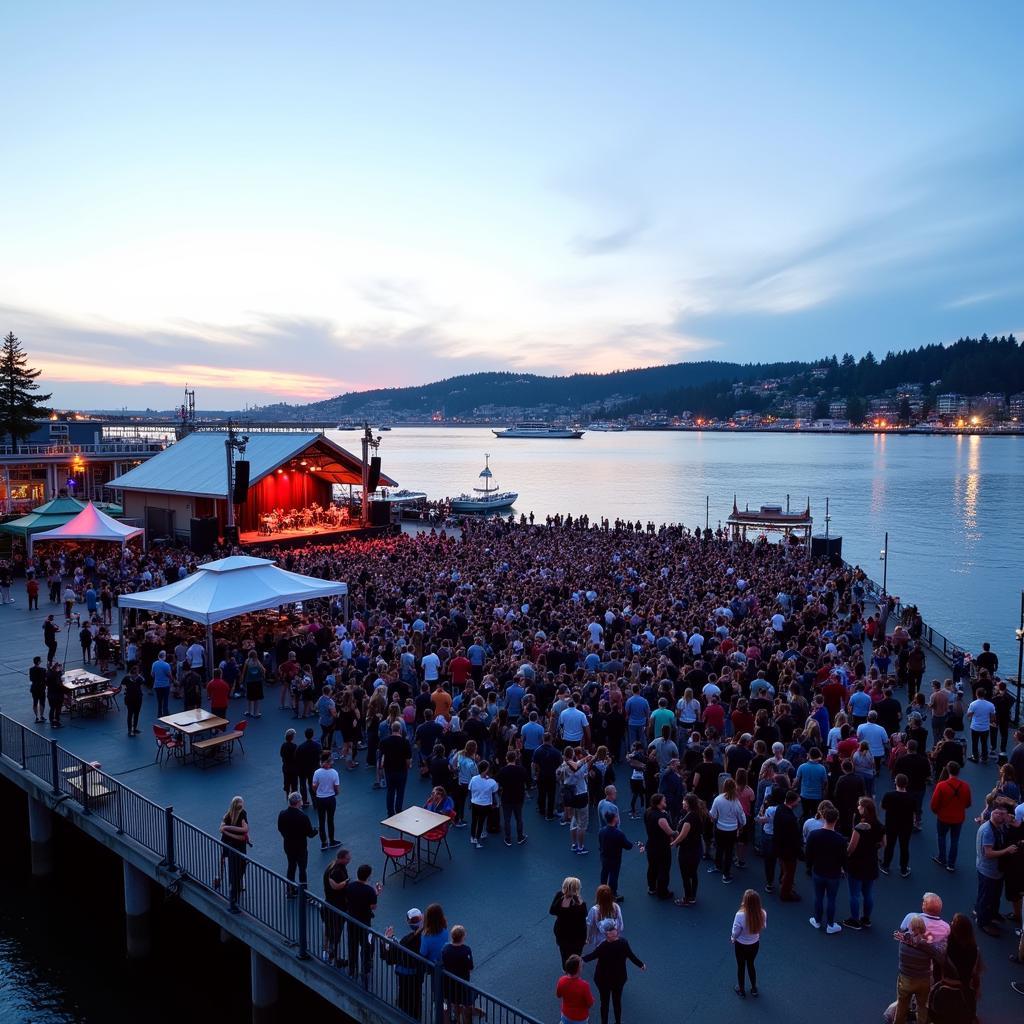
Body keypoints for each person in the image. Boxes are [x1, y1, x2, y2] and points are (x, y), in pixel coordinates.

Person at [581, 920, 645, 1024]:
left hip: (603, 980)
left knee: (606, 1003)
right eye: (612, 929)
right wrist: (640, 964)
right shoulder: (623, 943)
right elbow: (630, 955)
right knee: (614, 1002)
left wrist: (581, 959)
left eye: (614, 928)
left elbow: (592, 956)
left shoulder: (604, 946)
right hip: (617, 979)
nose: (615, 930)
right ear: (607, 933)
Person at [891, 914, 945, 1024]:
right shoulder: (929, 946)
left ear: (910, 927)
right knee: (922, 1007)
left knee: (902, 1006)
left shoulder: (903, 943)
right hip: (923, 982)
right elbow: (939, 956)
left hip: (905, 980)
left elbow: (906, 937)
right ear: (923, 928)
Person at [974, 803, 1017, 935]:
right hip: (988, 870)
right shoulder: (987, 830)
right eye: (996, 813)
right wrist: (1007, 851)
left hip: (996, 870)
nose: (999, 816)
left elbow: (1014, 822)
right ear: (992, 813)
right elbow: (988, 853)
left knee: (995, 895)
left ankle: (992, 914)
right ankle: (983, 922)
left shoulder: (1000, 825)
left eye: (1002, 814)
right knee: (986, 897)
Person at [843, 796, 883, 929]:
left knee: (854, 894)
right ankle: (866, 919)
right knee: (868, 893)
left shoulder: (859, 827)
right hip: (871, 862)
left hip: (857, 863)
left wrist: (846, 854)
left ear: (865, 809)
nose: (858, 807)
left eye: (860, 806)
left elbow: (851, 848)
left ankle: (854, 920)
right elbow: (883, 843)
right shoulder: (879, 825)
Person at [806, 804, 846, 934]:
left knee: (818, 897)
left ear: (823, 818)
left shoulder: (814, 835)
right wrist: (842, 869)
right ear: (836, 819)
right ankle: (830, 924)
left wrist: (810, 866)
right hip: (833, 874)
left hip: (818, 871)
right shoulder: (840, 839)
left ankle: (817, 921)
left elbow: (809, 853)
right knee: (831, 899)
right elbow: (843, 858)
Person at [382, 907, 426, 1020]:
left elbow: (392, 956)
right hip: (418, 974)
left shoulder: (406, 940)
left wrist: (388, 939)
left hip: (406, 974)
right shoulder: (425, 936)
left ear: (409, 922)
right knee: (416, 996)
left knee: (405, 995)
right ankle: (417, 1017)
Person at [344, 863, 383, 981]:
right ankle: (365, 969)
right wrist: (376, 893)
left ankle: (352, 968)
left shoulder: (349, 887)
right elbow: (373, 906)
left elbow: (349, 899)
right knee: (367, 945)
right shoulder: (369, 891)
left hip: (351, 921)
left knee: (352, 944)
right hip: (365, 923)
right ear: (368, 876)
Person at [930, 761, 972, 872]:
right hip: (958, 818)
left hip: (943, 817)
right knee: (954, 840)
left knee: (941, 836)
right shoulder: (965, 786)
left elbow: (934, 804)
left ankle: (942, 858)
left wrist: (937, 811)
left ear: (948, 771)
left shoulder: (941, 785)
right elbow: (968, 804)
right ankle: (951, 864)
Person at [277, 791, 318, 892]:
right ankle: (304, 891)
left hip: (288, 845)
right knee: (302, 869)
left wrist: (286, 836)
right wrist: (315, 831)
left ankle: (290, 890)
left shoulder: (282, 814)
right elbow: (310, 834)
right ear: (298, 802)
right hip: (301, 847)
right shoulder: (303, 817)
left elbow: (280, 828)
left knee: (291, 866)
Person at [709, 777, 747, 884]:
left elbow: (712, 815)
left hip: (720, 829)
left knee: (719, 848)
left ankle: (717, 866)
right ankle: (726, 874)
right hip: (732, 831)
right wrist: (741, 826)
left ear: (724, 787)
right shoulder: (736, 802)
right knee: (729, 852)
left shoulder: (718, 799)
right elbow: (742, 819)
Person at [670, 793, 705, 906]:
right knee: (693, 873)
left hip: (687, 850)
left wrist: (674, 843)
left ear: (689, 803)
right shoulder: (698, 814)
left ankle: (687, 898)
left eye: (684, 801)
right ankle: (692, 897)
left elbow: (683, 835)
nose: (682, 802)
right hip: (696, 848)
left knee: (685, 875)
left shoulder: (689, 818)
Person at [731, 888, 765, 997]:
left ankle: (741, 990)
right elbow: (763, 926)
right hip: (754, 944)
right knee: (751, 964)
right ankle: (754, 988)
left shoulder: (740, 915)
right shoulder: (762, 913)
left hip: (741, 945)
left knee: (741, 966)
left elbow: (735, 931)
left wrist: (733, 938)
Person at [441, 924, 479, 1024]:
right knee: (467, 1002)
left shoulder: (446, 949)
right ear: (463, 937)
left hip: (449, 983)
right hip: (462, 983)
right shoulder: (466, 950)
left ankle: (457, 1020)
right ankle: (466, 1018)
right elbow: (470, 967)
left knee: (454, 1001)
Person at [881, 774, 915, 878]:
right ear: (906, 784)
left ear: (896, 782)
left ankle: (885, 866)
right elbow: (914, 812)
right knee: (904, 847)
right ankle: (903, 869)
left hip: (891, 825)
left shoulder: (889, 795)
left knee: (889, 846)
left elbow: (883, 807)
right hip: (906, 826)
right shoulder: (911, 797)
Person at [217, 795, 249, 906]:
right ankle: (239, 884)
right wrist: (230, 831)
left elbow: (221, 828)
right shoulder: (242, 813)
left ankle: (233, 885)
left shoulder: (228, 814)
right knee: (241, 864)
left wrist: (227, 829)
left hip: (228, 844)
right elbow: (245, 829)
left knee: (231, 865)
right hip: (238, 845)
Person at [322, 847, 350, 966]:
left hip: (329, 904)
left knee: (328, 930)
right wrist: (346, 882)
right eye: (348, 858)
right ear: (342, 859)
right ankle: (333, 956)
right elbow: (336, 886)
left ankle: (325, 951)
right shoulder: (337, 872)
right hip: (337, 907)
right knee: (336, 933)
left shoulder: (331, 866)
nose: (349, 860)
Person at [598, 812, 637, 901]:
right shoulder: (619, 833)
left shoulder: (602, 831)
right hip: (615, 858)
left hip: (604, 857)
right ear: (614, 819)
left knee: (604, 873)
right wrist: (633, 845)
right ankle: (613, 894)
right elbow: (627, 846)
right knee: (613, 875)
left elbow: (600, 843)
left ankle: (602, 891)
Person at [550, 877, 588, 967]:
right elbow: (583, 920)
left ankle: (566, 969)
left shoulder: (559, 895)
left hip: (561, 932)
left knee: (564, 953)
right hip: (577, 936)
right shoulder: (580, 904)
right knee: (576, 954)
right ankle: (575, 970)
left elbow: (552, 911)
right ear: (577, 889)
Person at [643, 793, 675, 900]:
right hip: (662, 847)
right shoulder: (661, 817)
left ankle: (652, 888)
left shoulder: (648, 811)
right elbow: (669, 832)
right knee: (664, 869)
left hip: (651, 845)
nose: (665, 800)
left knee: (652, 867)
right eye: (663, 800)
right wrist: (677, 832)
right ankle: (662, 892)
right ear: (658, 802)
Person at [380, 720, 413, 817]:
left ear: (391, 729)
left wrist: (381, 769)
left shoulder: (384, 741)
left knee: (390, 791)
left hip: (389, 771)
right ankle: (398, 810)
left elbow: (382, 756)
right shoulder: (405, 742)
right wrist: (407, 767)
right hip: (401, 771)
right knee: (400, 791)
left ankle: (390, 813)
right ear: (400, 729)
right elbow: (408, 759)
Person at [495, 750, 528, 846]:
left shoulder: (503, 770)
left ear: (506, 758)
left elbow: (497, 783)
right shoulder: (522, 770)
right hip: (519, 797)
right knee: (519, 818)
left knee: (507, 819)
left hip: (506, 798)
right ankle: (520, 837)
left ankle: (508, 839)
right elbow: (527, 781)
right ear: (516, 758)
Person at [311, 750, 341, 850]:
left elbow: (314, 786)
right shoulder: (334, 773)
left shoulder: (317, 773)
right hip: (331, 799)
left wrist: (318, 792)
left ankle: (324, 843)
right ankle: (332, 841)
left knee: (321, 821)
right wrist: (335, 793)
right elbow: (336, 788)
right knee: (330, 820)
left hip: (320, 799)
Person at [467, 759, 498, 848]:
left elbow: (470, 790)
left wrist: (471, 801)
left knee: (474, 820)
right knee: (481, 822)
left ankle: (473, 837)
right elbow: (494, 791)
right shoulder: (492, 782)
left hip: (474, 803)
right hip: (485, 805)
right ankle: (478, 839)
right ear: (486, 770)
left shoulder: (473, 779)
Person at [556, 954, 595, 1024]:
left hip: (565, 1015)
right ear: (578, 969)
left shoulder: (561, 980)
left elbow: (558, 995)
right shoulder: (584, 986)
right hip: (580, 1018)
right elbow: (590, 1003)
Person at [966, 688, 996, 763]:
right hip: (985, 727)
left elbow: (968, 715)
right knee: (984, 743)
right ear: (984, 694)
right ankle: (984, 757)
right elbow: (993, 717)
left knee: (975, 742)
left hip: (975, 727)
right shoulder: (990, 705)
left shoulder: (973, 704)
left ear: (976, 694)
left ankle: (975, 757)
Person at [295, 728, 322, 807]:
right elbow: (320, 757)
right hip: (313, 770)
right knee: (312, 786)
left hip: (302, 769)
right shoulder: (317, 746)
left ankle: (305, 801)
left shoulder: (300, 747)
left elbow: (296, 758)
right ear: (312, 735)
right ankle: (315, 802)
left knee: (303, 785)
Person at [123, 662, 144, 737]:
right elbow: (143, 680)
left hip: (131, 698)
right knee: (134, 714)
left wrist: (125, 692)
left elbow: (122, 686)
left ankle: (132, 729)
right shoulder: (137, 678)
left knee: (132, 714)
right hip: (136, 698)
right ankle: (132, 729)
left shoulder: (127, 678)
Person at [151, 651, 172, 717]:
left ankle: (159, 713)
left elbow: (152, 674)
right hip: (165, 685)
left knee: (159, 700)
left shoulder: (154, 664)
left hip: (157, 685)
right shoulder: (166, 665)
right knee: (165, 700)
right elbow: (169, 675)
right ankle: (165, 713)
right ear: (164, 656)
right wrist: (172, 680)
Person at [279, 728, 299, 800]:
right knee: (294, 784)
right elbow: (297, 757)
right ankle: (294, 798)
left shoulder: (283, 745)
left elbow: (281, 754)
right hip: (293, 768)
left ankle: (287, 795)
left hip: (286, 767)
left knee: (286, 782)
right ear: (292, 737)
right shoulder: (295, 746)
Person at [45, 661, 64, 728]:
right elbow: (59, 684)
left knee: (52, 708)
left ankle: (52, 721)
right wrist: (60, 673)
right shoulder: (57, 675)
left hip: (50, 694)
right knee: (58, 708)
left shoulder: (48, 674)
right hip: (57, 694)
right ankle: (57, 721)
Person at [29, 656, 47, 723]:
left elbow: (31, 679)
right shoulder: (43, 670)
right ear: (39, 662)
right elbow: (45, 679)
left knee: (35, 702)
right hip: (41, 688)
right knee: (42, 702)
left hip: (34, 688)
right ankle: (41, 716)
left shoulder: (31, 669)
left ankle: (36, 717)